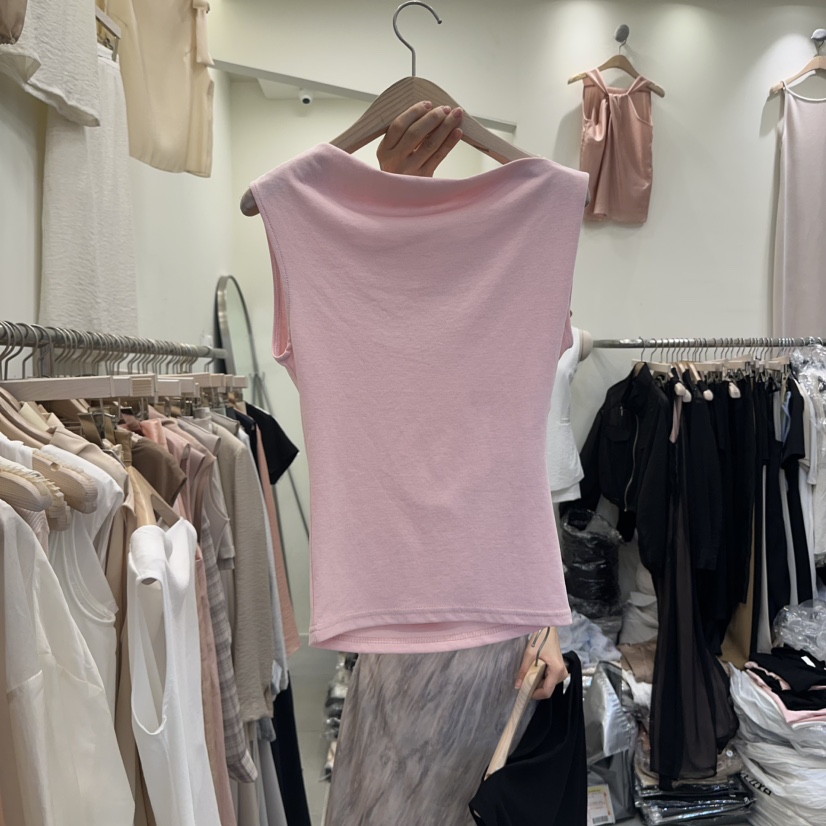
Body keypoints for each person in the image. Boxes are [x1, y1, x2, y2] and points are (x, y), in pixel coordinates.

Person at [376, 103, 570, 698]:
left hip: (505, 599)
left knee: (492, 755)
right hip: (395, 596)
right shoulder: (374, 282)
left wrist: (545, 621)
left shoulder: (532, 254)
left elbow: (520, 463)